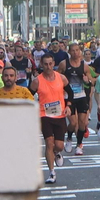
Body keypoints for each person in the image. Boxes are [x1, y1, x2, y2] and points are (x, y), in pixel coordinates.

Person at [33, 54, 70, 185]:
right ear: (41, 65)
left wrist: (69, 106)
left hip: (59, 115)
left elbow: (70, 93)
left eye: (50, 64)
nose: (48, 67)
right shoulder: (37, 80)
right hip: (45, 115)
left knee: (59, 145)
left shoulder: (61, 78)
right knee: (49, 142)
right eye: (45, 64)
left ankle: (57, 152)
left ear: (53, 63)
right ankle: (51, 173)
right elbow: (28, 94)